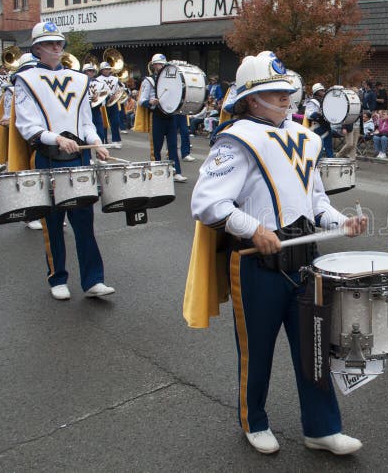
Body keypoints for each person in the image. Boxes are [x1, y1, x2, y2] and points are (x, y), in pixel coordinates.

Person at [190, 51, 367, 455]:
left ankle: (321, 428)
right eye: (276, 93)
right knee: (258, 350)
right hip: (256, 263)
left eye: (287, 92)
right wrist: (253, 229)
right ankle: (254, 420)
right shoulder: (235, 140)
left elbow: (316, 201)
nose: (287, 98)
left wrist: (341, 223)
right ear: (252, 99)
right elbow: (206, 203)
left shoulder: (306, 138)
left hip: (305, 260)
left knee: (315, 346)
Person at [13, 21, 115, 301]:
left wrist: (94, 141)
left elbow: (86, 120)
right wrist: (55, 138)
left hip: (78, 156)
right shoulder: (25, 80)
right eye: (49, 44)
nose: (56, 48)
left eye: (59, 43)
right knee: (53, 221)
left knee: (83, 218)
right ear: (37, 49)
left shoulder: (80, 79)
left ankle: (94, 279)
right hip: (48, 157)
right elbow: (27, 125)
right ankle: (57, 277)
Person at [137, 54, 187, 183]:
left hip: (171, 116)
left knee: (172, 146)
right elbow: (141, 100)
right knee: (156, 147)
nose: (160, 66)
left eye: (161, 64)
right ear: (153, 65)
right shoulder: (149, 80)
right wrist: (150, 102)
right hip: (157, 116)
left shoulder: (172, 79)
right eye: (157, 64)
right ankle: (156, 171)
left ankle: (176, 172)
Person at [96, 61, 123, 146]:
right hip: (103, 103)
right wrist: (106, 97)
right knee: (104, 122)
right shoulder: (98, 79)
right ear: (101, 70)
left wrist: (116, 95)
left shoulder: (115, 79)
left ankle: (116, 140)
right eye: (105, 69)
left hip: (114, 102)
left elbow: (121, 87)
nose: (107, 71)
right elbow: (97, 91)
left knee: (116, 122)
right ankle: (104, 140)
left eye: (108, 69)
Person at [304, 83, 333, 157]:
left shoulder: (326, 100)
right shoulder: (312, 102)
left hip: (326, 126)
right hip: (317, 127)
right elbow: (308, 114)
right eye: (321, 91)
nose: (323, 92)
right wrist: (317, 114)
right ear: (316, 92)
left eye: (323, 90)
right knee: (318, 147)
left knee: (328, 147)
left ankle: (330, 163)